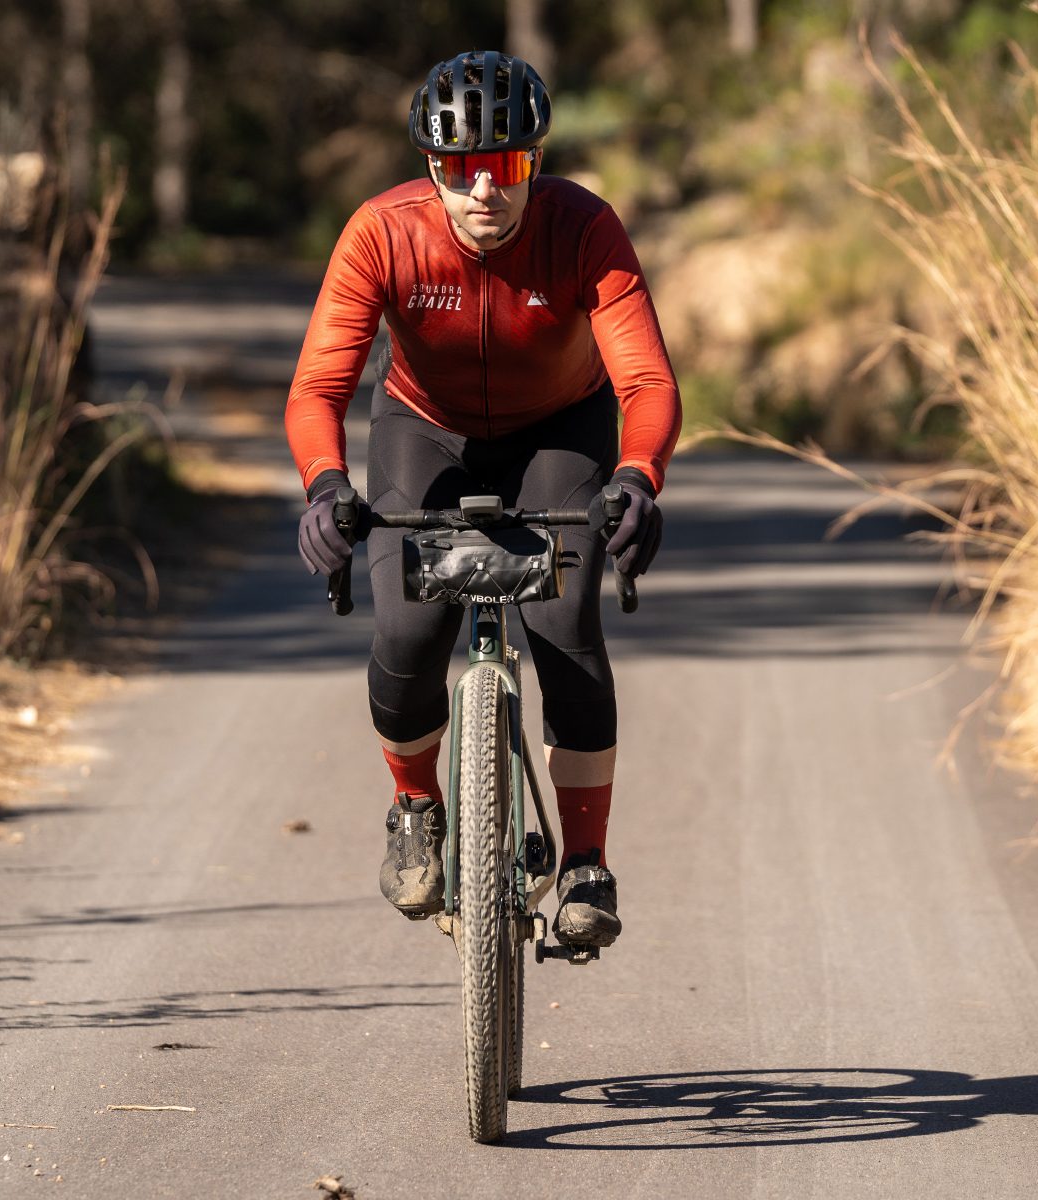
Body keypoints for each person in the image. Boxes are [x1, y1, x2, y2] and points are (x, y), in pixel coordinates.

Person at [285, 50, 681, 947]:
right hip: (425, 427)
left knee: (569, 629)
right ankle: (417, 807)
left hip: (560, 429)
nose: (483, 192)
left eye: (504, 167)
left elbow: (646, 383)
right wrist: (324, 487)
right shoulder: (382, 234)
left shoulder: (585, 230)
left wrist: (635, 478)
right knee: (407, 630)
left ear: (534, 163)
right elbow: (318, 390)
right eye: (460, 170)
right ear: (432, 167)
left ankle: (584, 863)